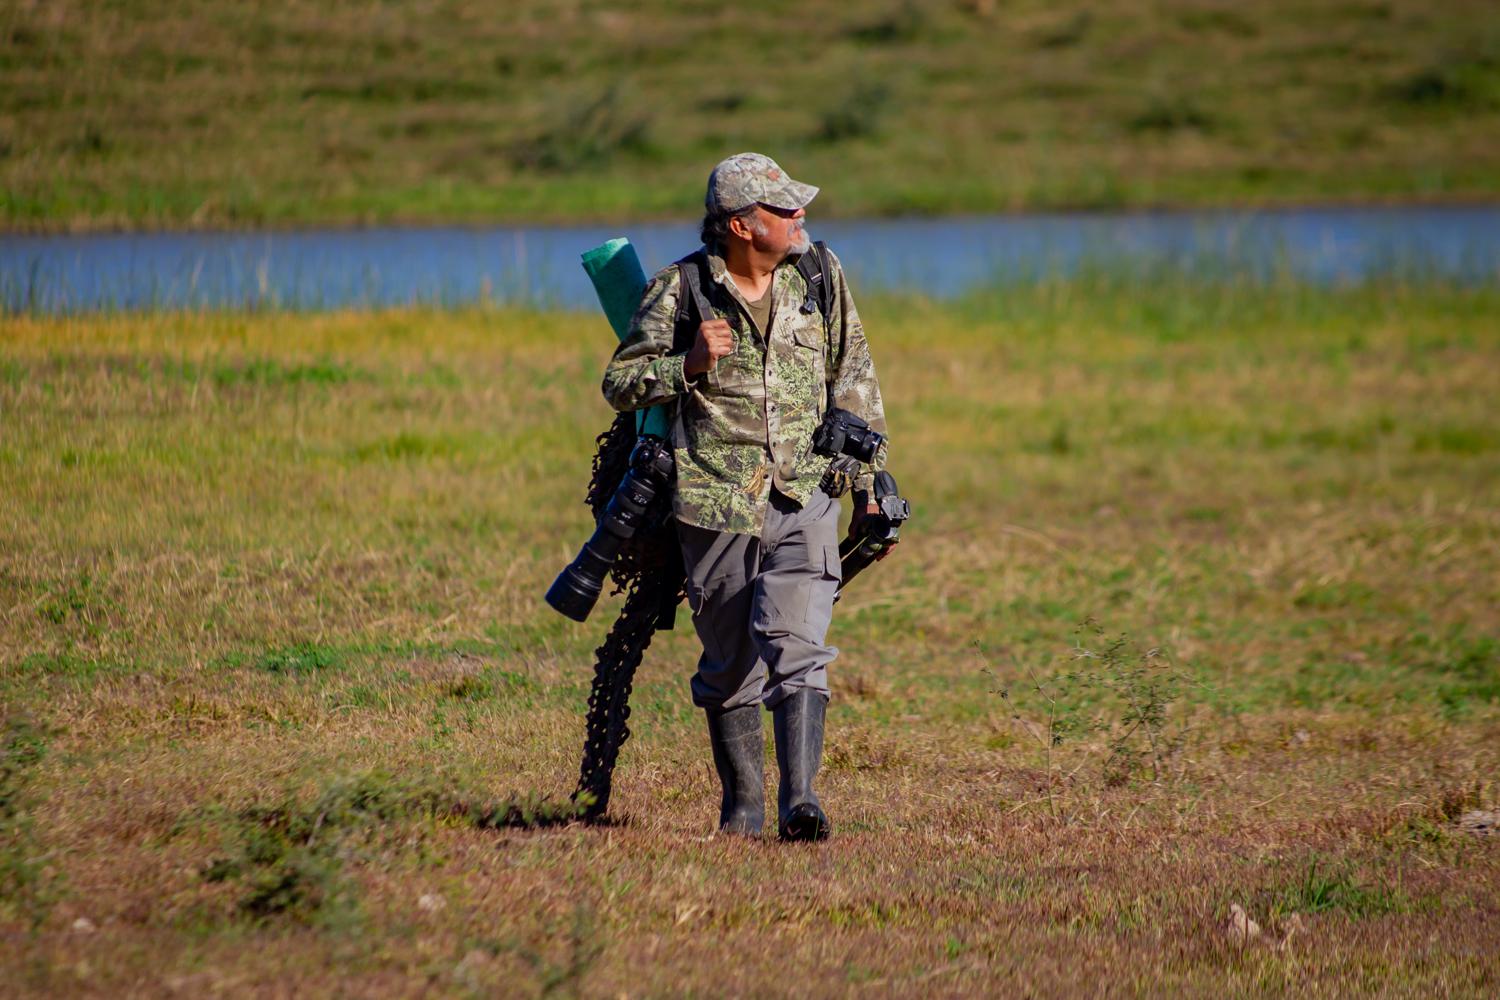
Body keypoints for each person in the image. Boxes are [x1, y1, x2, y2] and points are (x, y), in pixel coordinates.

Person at [601, 152, 889, 841]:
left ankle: (803, 802)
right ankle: (743, 809)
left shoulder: (819, 275)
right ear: (741, 224)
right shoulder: (680, 291)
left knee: (797, 645)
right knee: (731, 664)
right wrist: (687, 364)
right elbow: (621, 383)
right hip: (712, 506)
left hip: (805, 494)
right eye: (784, 209)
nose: (801, 217)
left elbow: (855, 381)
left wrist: (870, 485)